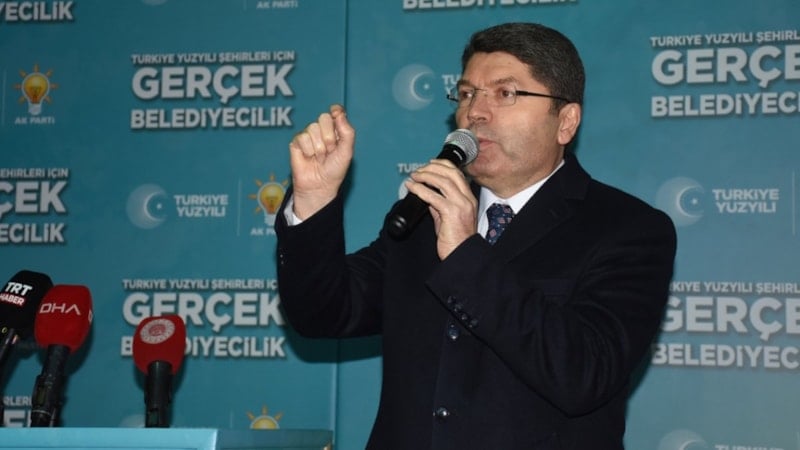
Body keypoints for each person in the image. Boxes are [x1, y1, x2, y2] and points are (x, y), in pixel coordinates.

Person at [275, 22, 677, 450]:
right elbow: (324, 313)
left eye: (505, 93)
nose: (475, 113)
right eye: (467, 94)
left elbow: (584, 375)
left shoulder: (628, 229)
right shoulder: (424, 216)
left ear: (566, 121)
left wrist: (465, 253)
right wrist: (313, 200)